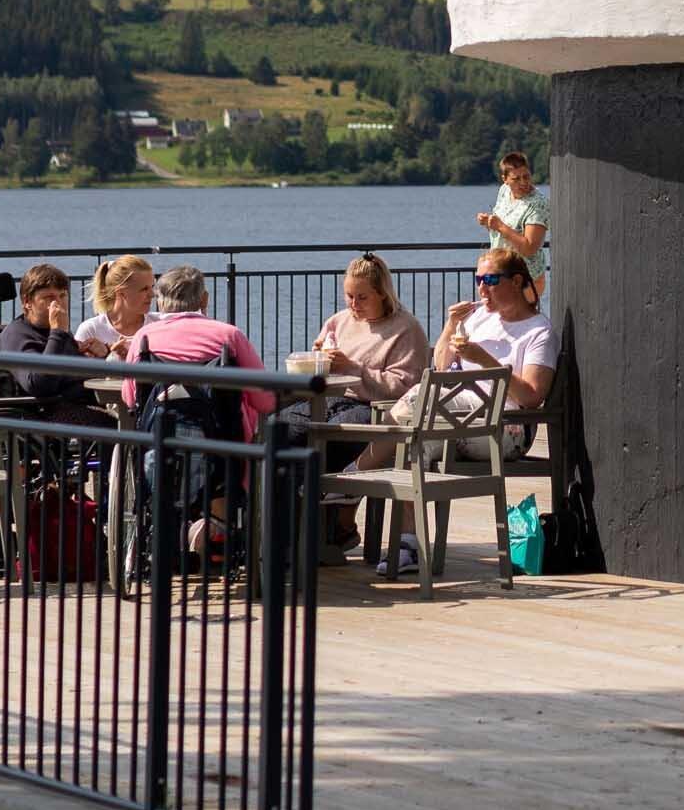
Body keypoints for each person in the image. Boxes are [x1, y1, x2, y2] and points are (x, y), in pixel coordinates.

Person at [374, 246, 558, 579]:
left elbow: (531, 396)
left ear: (517, 282)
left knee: (417, 399)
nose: (481, 288)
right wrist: (450, 325)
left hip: (506, 429)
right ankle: (409, 544)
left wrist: (485, 360)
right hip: (460, 419)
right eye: (478, 280)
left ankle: (353, 473)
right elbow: (441, 366)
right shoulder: (478, 318)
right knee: (416, 444)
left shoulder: (538, 331)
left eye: (490, 279)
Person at [121, 265, 277, 556]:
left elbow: (131, 399)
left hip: (158, 442)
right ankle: (218, 525)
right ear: (204, 299)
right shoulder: (228, 336)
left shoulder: (144, 338)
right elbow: (265, 401)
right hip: (220, 447)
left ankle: (174, 530)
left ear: (159, 300)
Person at [300, 252, 428, 560]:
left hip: (373, 410)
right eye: (349, 296)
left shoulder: (405, 329)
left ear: (382, 294)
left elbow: (405, 388)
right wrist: (318, 360)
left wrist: (354, 368)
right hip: (328, 401)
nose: (353, 304)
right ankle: (290, 536)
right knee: (274, 430)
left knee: (315, 443)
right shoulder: (338, 322)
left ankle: (326, 532)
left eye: (362, 297)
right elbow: (319, 373)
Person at [0, 262, 100, 428]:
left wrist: (102, 355)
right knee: (121, 427)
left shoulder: (55, 332)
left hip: (81, 402)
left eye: (63, 296)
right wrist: (58, 333)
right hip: (46, 414)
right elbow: (39, 385)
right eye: (49, 298)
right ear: (27, 302)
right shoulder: (16, 335)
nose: (58, 303)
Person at [477, 150, 548, 297]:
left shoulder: (538, 204)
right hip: (500, 273)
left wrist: (500, 226)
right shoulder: (504, 191)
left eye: (526, 176)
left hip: (526, 279)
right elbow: (504, 226)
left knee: (514, 319)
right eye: (516, 179)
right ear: (505, 179)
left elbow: (529, 248)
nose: (523, 182)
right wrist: (489, 223)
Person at [75, 254, 154, 359]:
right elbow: (77, 372)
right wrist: (109, 357)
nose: (152, 294)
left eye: (152, 287)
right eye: (144, 289)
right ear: (121, 293)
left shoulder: (161, 325)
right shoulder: (91, 329)